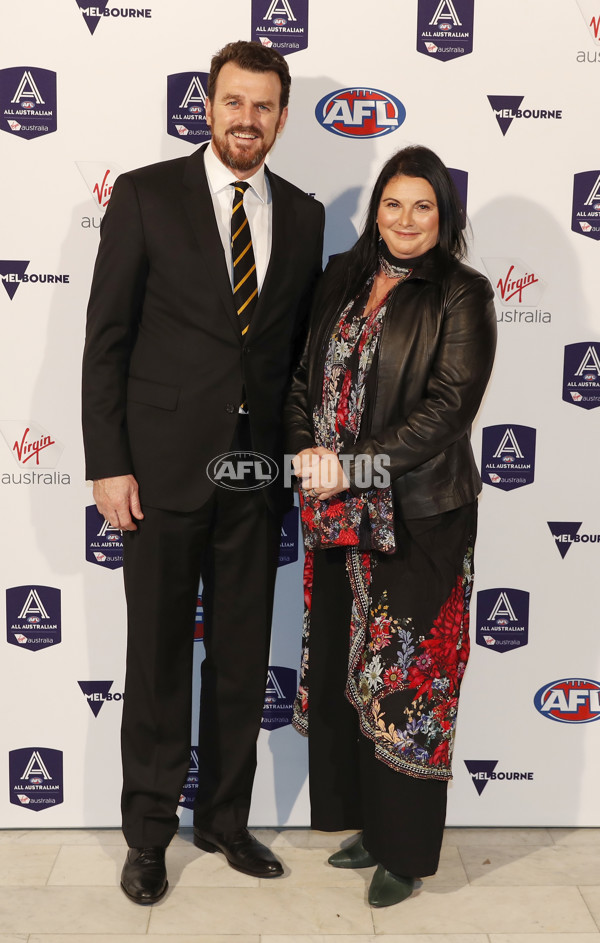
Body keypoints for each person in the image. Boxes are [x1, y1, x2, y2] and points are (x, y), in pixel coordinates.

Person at [82, 40, 324, 904]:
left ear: (282, 118)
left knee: (237, 660)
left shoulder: (301, 213)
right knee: (154, 662)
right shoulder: (147, 196)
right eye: (233, 103)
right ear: (208, 107)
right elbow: (105, 342)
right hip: (158, 473)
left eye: (264, 107)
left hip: (254, 483)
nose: (247, 120)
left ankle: (224, 818)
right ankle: (148, 833)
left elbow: (292, 356)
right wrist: (108, 464)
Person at [285, 145, 496, 907]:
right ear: (376, 209)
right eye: (393, 204)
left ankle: (405, 852)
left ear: (444, 218)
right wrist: (306, 449)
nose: (405, 222)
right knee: (352, 674)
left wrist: (355, 463)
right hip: (337, 516)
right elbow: (302, 380)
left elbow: (448, 409)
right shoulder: (342, 277)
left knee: (410, 682)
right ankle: (369, 825)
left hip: (421, 520)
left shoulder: (462, 294)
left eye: (423, 208)